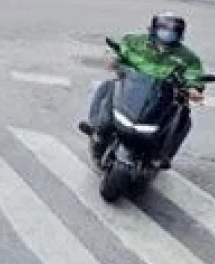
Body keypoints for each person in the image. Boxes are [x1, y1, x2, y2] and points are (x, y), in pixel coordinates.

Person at [79, 12, 206, 169]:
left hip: (163, 97)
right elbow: (116, 52)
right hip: (132, 88)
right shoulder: (133, 41)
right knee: (107, 86)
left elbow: (194, 75)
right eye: (164, 28)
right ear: (153, 28)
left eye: (173, 30)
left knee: (184, 115)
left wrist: (194, 88)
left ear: (180, 34)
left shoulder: (187, 57)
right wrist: (112, 59)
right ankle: (97, 128)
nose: (168, 33)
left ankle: (162, 155)